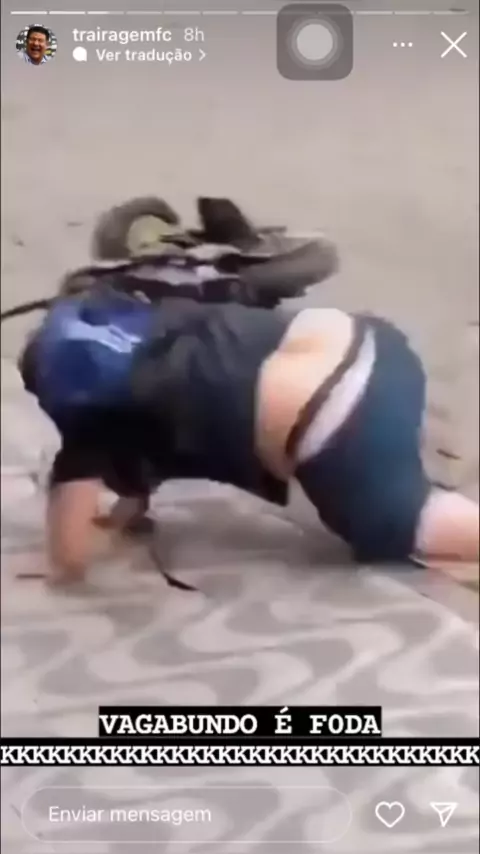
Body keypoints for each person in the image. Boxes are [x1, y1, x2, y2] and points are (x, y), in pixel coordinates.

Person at [18, 286, 479, 585]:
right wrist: (120, 518)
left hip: (341, 412)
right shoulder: (154, 332)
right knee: (385, 470)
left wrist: (58, 566)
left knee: (394, 529)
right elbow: (137, 466)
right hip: (371, 341)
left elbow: (71, 555)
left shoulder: (91, 422)